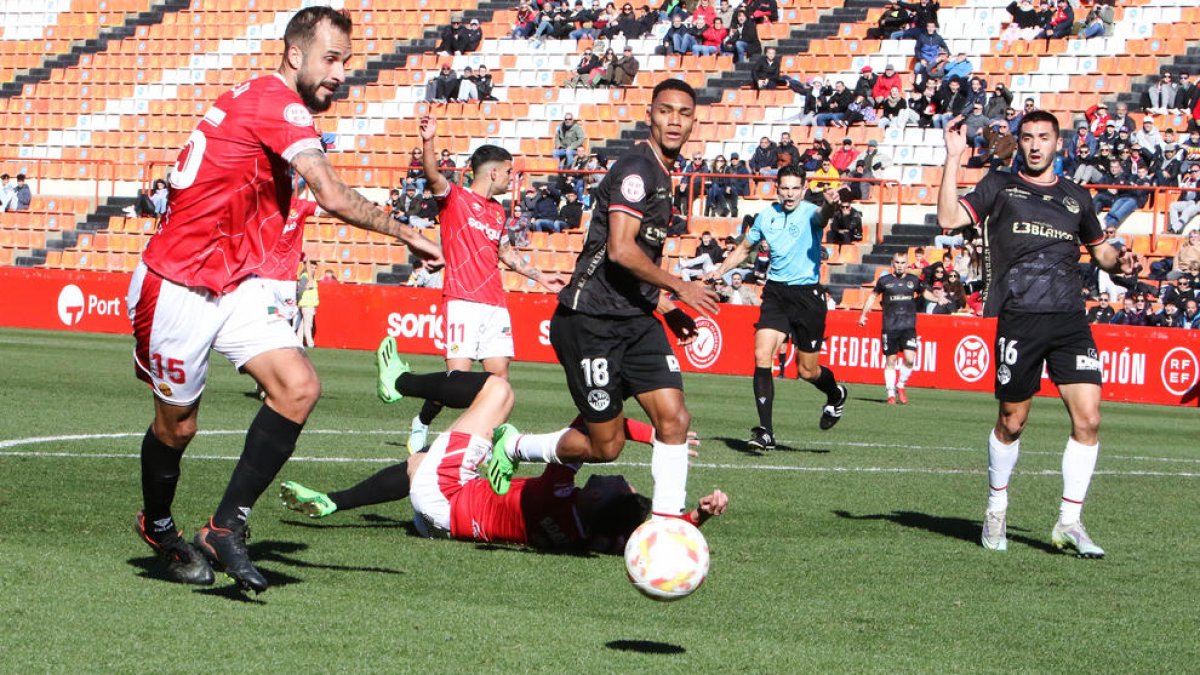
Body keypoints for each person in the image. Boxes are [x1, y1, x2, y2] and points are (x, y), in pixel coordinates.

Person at [127, 7, 442, 593]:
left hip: (235, 282)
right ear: (294, 54)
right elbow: (329, 192)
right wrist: (408, 232)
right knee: (177, 429)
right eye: (331, 59)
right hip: (176, 283)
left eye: (346, 62)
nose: (341, 73)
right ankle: (159, 523)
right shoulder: (278, 100)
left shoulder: (267, 101)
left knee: (298, 387)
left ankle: (225, 525)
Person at [485, 80, 720, 525]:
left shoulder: (666, 175)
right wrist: (680, 288)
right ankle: (515, 445)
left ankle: (665, 527)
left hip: (636, 320)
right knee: (606, 446)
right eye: (665, 111)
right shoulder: (637, 169)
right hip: (588, 320)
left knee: (675, 419)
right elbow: (620, 250)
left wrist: (664, 308)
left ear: (694, 121)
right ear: (650, 114)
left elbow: (635, 262)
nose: (674, 120)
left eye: (683, 113)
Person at [938, 109, 1142, 558]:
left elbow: (1101, 252)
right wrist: (953, 158)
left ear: (1057, 144)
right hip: (1021, 316)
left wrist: (1120, 261)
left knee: (1088, 419)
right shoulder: (1000, 185)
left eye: (1043, 137)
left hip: (1070, 319)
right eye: (1027, 137)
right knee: (1013, 421)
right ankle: (997, 506)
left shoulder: (1077, 197)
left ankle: (1069, 521)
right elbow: (949, 219)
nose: (1033, 145)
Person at [280, 351, 729, 552]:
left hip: (449, 496)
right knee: (418, 463)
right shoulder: (592, 537)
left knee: (497, 391)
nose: (626, 479)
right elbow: (644, 540)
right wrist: (698, 516)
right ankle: (333, 501)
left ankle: (399, 383)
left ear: (600, 498)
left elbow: (589, 431)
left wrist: (647, 434)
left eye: (627, 486)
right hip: (446, 525)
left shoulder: (559, 493)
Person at [401, 116, 565, 455]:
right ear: (493, 171)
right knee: (457, 384)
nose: (511, 178)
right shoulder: (455, 199)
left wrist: (540, 277)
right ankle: (423, 419)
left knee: (499, 381)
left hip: (494, 304)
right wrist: (430, 141)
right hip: (462, 300)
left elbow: (505, 252)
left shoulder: (498, 212)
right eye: (509, 172)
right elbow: (432, 177)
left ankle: (480, 443)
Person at [706, 165, 849, 450]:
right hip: (775, 294)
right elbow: (745, 248)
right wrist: (719, 270)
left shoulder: (811, 211)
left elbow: (824, 216)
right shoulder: (766, 216)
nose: (789, 193)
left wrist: (831, 206)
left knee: (807, 371)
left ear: (804, 189)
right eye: (785, 187)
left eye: (795, 188)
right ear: (776, 187)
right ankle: (766, 432)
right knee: (761, 354)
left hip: (807, 296)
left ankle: (836, 395)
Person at [858, 252, 922, 404]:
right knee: (891, 360)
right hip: (890, 326)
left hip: (908, 326)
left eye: (903, 262)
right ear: (892, 264)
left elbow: (925, 293)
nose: (900, 265)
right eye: (897, 262)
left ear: (907, 264)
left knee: (910, 359)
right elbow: (873, 296)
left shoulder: (913, 280)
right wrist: (863, 314)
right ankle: (891, 393)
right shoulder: (884, 281)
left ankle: (901, 384)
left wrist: (939, 298)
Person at [296, 259, 320, 347]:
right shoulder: (305, 277)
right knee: (308, 325)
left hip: (308, 304)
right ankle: (310, 344)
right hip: (307, 304)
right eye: (312, 267)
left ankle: (298, 342)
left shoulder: (308, 277)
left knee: (303, 325)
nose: (314, 269)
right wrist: (298, 300)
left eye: (315, 268)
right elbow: (300, 290)